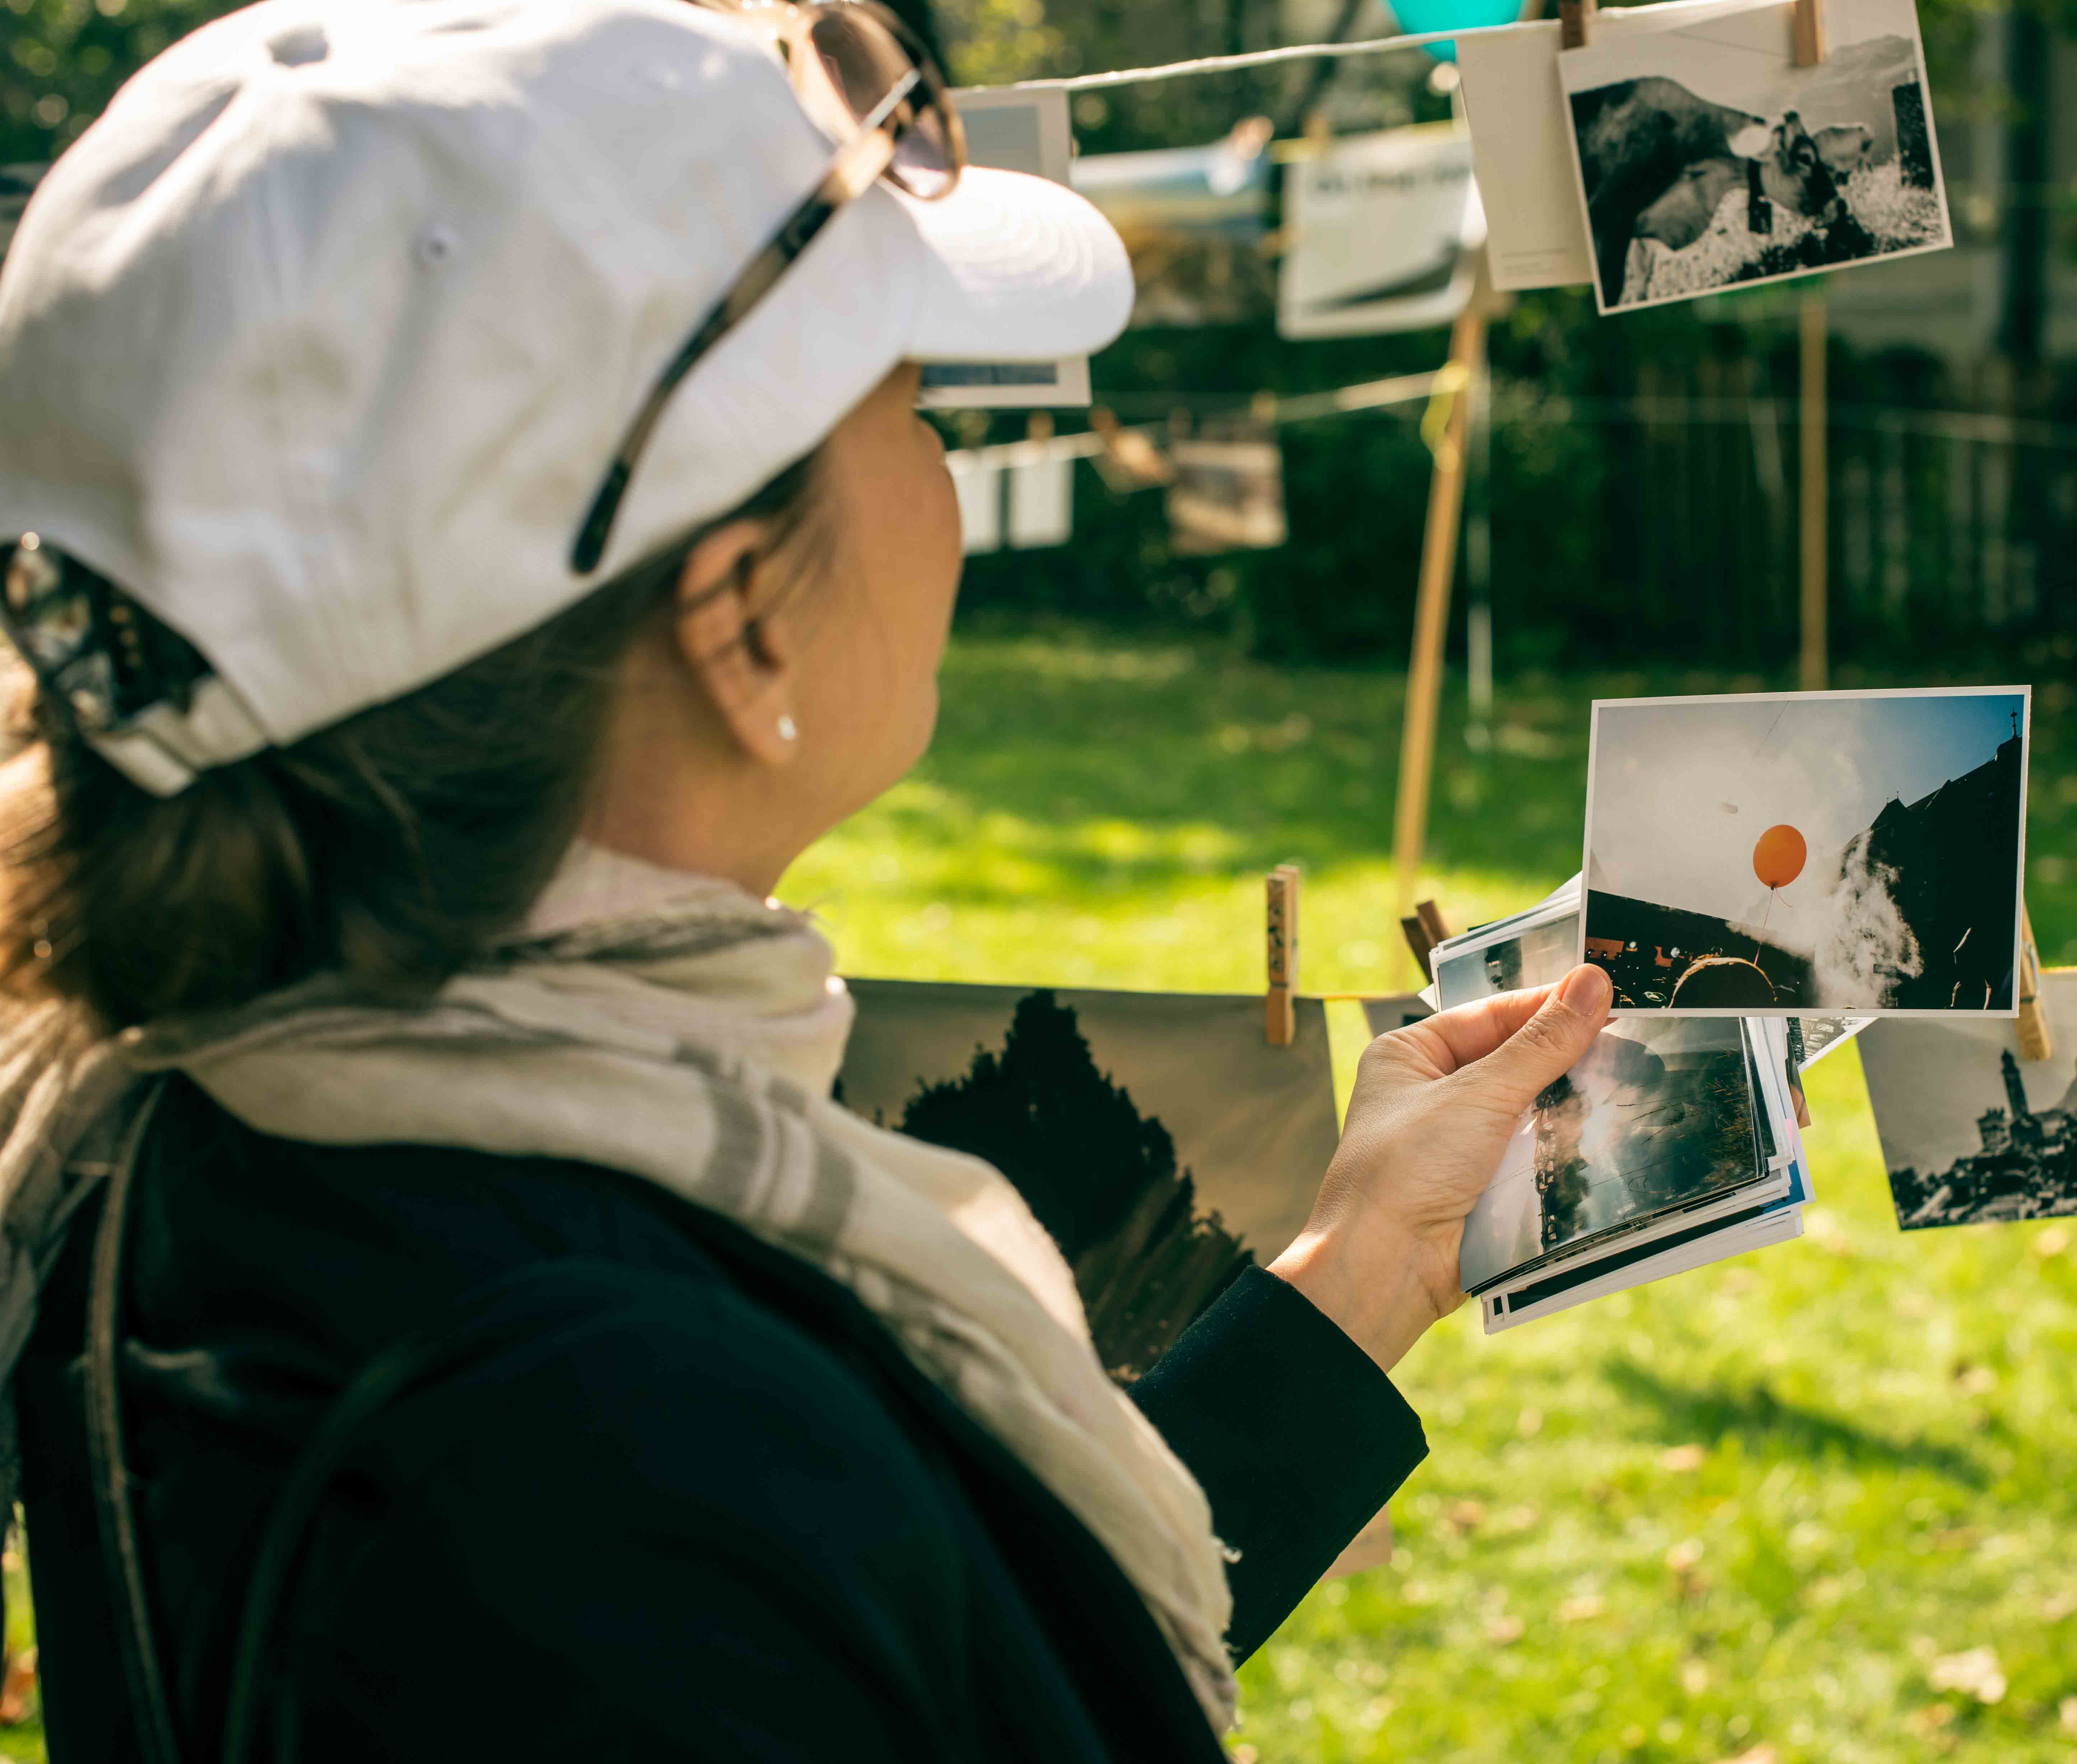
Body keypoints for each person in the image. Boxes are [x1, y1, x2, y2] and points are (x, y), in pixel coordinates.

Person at [0, 0, 1619, 1755]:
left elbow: (927, 1634)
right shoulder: (611, 1430)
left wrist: (1362, 1259)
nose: (948, 468)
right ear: (739, 615)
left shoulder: (253, 1144)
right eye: (914, 402)